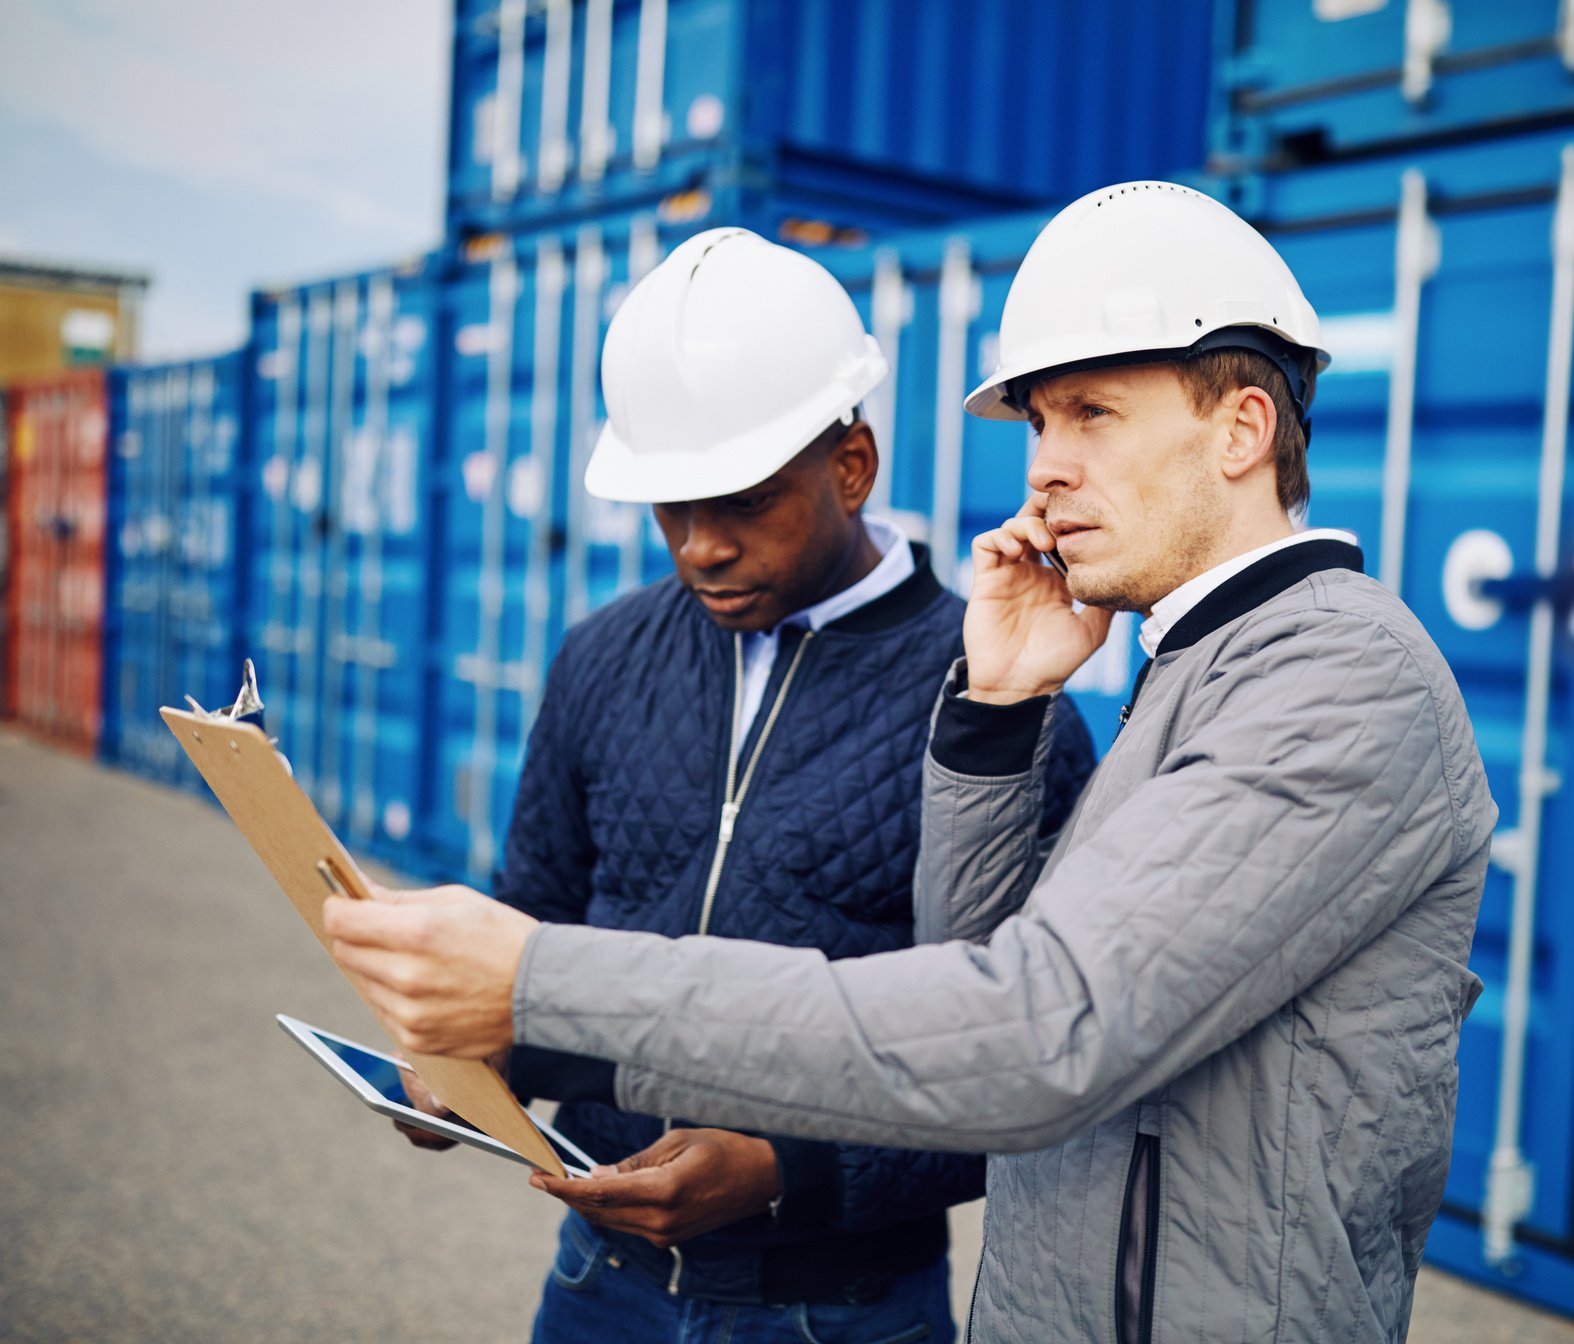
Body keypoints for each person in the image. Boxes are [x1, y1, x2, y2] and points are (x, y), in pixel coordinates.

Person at [330, 182, 1495, 1343]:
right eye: (1038, 424)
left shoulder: (1340, 681)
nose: (1044, 468)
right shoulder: (1191, 671)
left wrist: (541, 985)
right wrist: (994, 712)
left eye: (1092, 414)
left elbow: (1034, 1034)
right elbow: (976, 976)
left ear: (1241, 430)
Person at [388, 226, 1097, 1343]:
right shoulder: (601, 658)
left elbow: (1030, 1059)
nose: (700, 547)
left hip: (841, 1312)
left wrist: (788, 1174)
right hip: (597, 1288)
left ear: (850, 466)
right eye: (673, 508)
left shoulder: (998, 701)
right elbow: (537, 924)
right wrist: (470, 1069)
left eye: (742, 502)